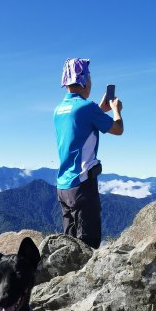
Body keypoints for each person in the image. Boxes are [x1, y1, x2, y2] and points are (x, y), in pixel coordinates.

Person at [53, 58, 124, 249]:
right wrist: (116, 110)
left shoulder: (59, 110)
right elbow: (118, 129)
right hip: (83, 186)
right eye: (90, 79)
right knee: (88, 246)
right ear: (84, 80)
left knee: (69, 246)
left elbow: (81, 124)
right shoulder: (87, 108)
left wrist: (100, 109)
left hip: (63, 187)